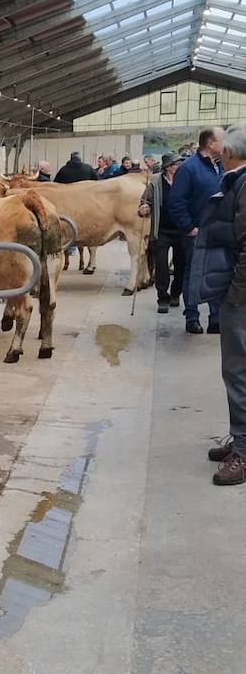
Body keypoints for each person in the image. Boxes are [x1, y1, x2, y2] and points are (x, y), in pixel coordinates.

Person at [189, 125, 246, 485]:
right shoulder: (237, 183)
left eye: (223, 147)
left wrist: (235, 295)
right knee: (236, 372)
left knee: (239, 372)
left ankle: (243, 449)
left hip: (241, 298)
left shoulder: (244, 185)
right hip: (236, 293)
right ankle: (240, 438)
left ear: (230, 153)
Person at [168, 127, 224, 335]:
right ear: (210, 143)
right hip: (196, 233)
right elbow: (176, 202)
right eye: (222, 140)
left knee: (216, 273)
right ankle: (192, 317)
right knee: (193, 273)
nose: (225, 144)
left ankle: (215, 318)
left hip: (218, 231)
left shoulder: (220, 167)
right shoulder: (189, 168)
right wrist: (189, 227)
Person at [139, 152, 184, 314]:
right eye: (174, 164)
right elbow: (144, 202)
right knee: (162, 266)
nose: (177, 167)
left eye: (178, 164)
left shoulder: (184, 180)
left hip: (181, 230)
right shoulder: (155, 183)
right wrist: (143, 209)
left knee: (181, 266)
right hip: (162, 230)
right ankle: (162, 298)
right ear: (167, 167)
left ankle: (175, 294)